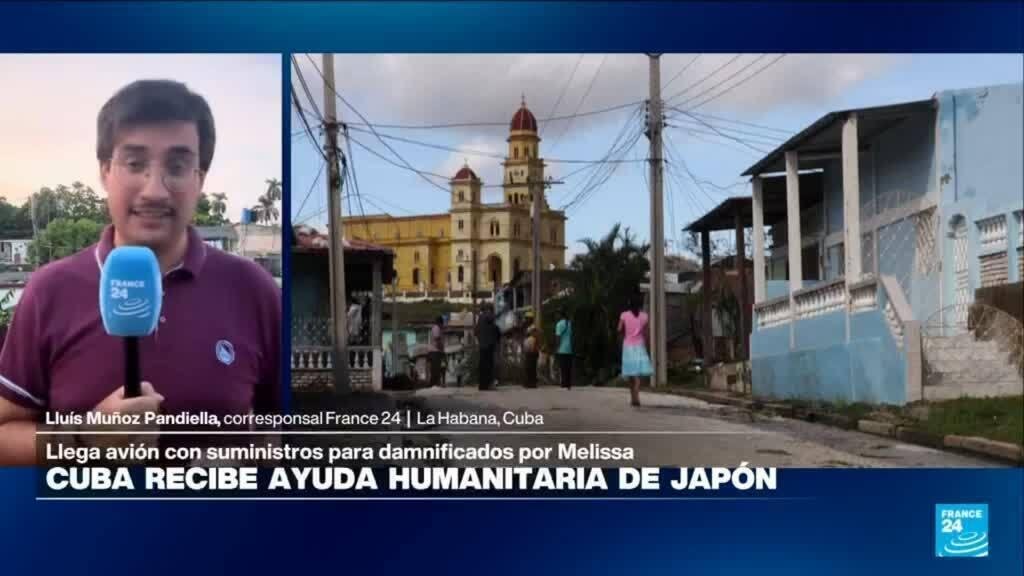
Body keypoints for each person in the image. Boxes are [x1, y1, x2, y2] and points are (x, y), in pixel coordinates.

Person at [0, 80, 281, 465]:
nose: (154, 191)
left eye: (178, 166)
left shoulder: (254, 290)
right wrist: (80, 440)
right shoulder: (50, 289)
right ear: (104, 171)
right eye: (134, 164)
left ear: (200, 178)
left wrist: (240, 461)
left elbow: (282, 432)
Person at [618, 293, 653, 407]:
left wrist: (624, 335)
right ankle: (636, 397)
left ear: (629, 304)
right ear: (640, 304)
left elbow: (619, 329)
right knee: (638, 374)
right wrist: (646, 345)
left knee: (630, 373)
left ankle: (633, 397)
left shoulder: (624, 315)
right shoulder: (644, 316)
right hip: (640, 346)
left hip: (627, 346)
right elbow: (646, 333)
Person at [475, 305, 499, 390]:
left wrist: (480, 340)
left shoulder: (480, 319)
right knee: (488, 366)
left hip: (482, 346)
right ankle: (488, 384)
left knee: (482, 366)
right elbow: (493, 318)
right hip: (488, 346)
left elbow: (476, 332)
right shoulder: (487, 316)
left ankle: (482, 385)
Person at [555, 308, 573, 389]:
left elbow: (558, 337)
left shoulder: (559, 324)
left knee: (562, 367)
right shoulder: (569, 323)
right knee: (568, 367)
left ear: (560, 315)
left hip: (562, 349)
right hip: (569, 348)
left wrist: (557, 347)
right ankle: (568, 383)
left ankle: (564, 383)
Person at [428, 315, 446, 387]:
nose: (443, 325)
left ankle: (435, 384)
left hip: (436, 352)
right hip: (434, 352)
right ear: (440, 323)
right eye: (442, 323)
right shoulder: (436, 328)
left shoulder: (437, 328)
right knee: (435, 370)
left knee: (437, 369)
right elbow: (437, 340)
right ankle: (433, 385)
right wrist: (442, 350)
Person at [523, 324, 539, 389]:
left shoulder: (526, 339)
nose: (536, 332)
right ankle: (532, 383)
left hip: (527, 355)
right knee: (532, 369)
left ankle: (527, 383)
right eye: (534, 331)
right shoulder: (533, 339)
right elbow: (533, 348)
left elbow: (525, 348)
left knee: (528, 369)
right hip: (532, 355)